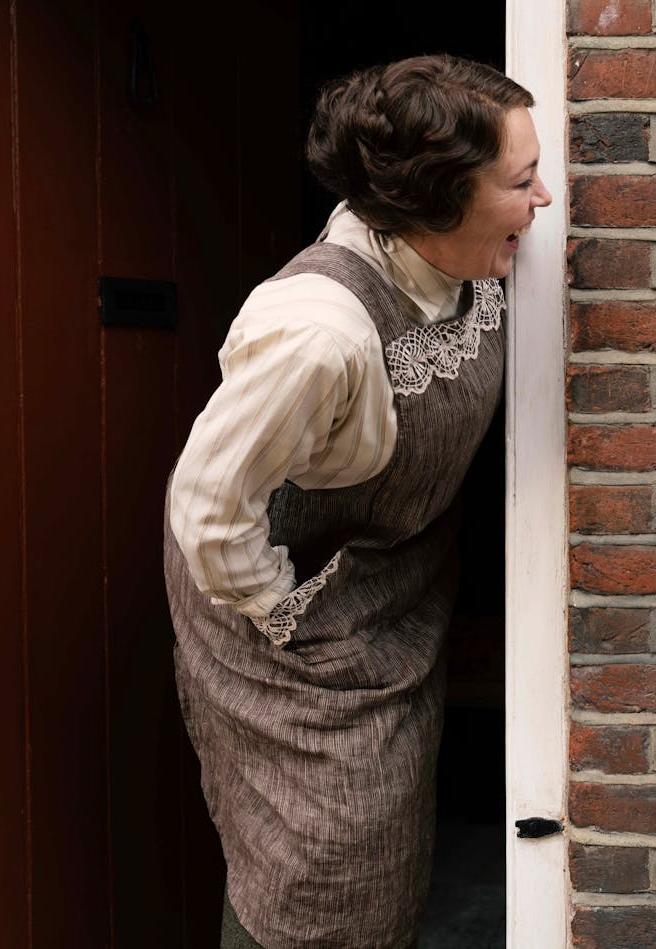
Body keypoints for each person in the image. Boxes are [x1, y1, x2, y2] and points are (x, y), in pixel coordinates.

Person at [163, 53, 551, 949]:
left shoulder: (468, 255)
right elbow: (208, 510)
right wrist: (295, 621)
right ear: (438, 200)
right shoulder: (317, 332)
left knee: (388, 852)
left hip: (394, 601)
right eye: (523, 180)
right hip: (289, 637)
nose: (545, 201)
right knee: (318, 862)